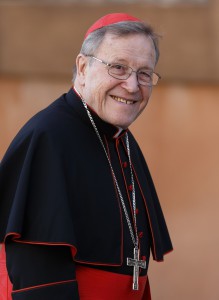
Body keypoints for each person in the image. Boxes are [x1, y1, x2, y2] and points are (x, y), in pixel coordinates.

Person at [0, 13, 173, 300]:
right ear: (83, 67)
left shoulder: (122, 141)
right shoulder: (49, 138)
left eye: (144, 73)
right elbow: (39, 279)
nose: (132, 86)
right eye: (118, 67)